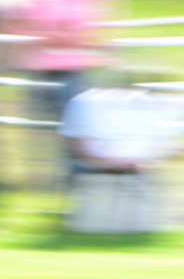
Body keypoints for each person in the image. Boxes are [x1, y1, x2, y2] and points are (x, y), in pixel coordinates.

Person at [58, 70, 184, 233]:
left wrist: (147, 161)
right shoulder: (88, 101)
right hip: (100, 168)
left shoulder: (87, 100)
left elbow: (70, 137)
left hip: (134, 170)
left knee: (129, 223)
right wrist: (102, 161)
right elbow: (73, 140)